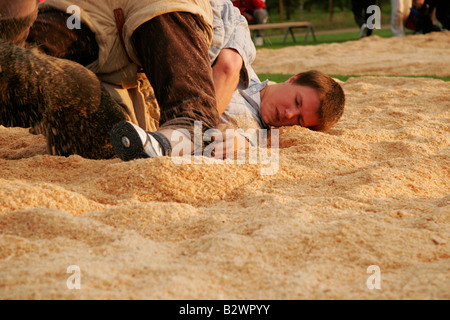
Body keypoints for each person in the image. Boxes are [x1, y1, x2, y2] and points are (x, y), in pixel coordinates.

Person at [0, 0, 227, 160]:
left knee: (192, 115)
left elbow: (228, 66)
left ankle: (179, 130)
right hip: (83, 10)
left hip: (154, 11)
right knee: (15, 57)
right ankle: (78, 94)